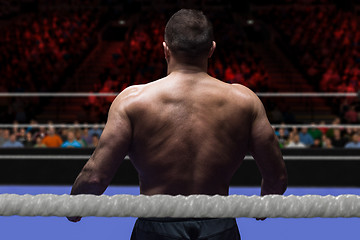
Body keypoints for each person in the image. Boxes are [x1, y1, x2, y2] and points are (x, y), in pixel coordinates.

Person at [67, 9, 287, 240]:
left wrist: (74, 207)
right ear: (211, 48)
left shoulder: (133, 101)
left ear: (165, 49)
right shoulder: (244, 101)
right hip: (219, 224)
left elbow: (95, 177)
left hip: (156, 225)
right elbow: (277, 177)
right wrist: (265, 205)